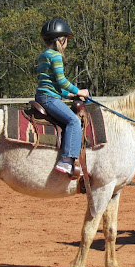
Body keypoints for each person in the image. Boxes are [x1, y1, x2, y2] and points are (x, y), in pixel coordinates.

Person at [35, 18, 90, 175]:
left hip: (43, 96)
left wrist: (69, 95)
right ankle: (66, 160)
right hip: (49, 98)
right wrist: (79, 91)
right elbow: (62, 81)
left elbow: (52, 84)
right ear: (61, 40)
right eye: (66, 40)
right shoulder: (56, 56)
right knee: (73, 121)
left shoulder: (43, 55)